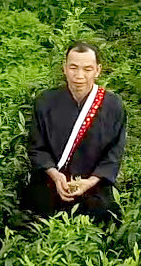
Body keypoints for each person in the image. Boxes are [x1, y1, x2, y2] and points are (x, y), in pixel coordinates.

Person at [26, 42, 127, 225]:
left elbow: (114, 152)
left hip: (95, 187)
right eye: (73, 68)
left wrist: (90, 182)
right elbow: (36, 148)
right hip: (51, 183)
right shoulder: (45, 102)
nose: (79, 76)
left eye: (87, 69)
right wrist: (56, 176)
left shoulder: (113, 105)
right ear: (64, 68)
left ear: (98, 70)